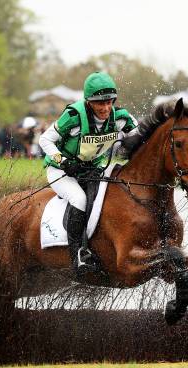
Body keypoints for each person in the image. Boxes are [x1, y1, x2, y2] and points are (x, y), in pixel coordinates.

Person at [39, 71, 140, 276]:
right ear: (88, 102)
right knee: (79, 199)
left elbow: (140, 139)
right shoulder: (74, 117)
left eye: (109, 102)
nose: (105, 108)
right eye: (99, 103)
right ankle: (77, 256)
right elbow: (45, 140)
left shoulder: (121, 118)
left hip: (92, 169)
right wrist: (64, 161)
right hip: (61, 171)